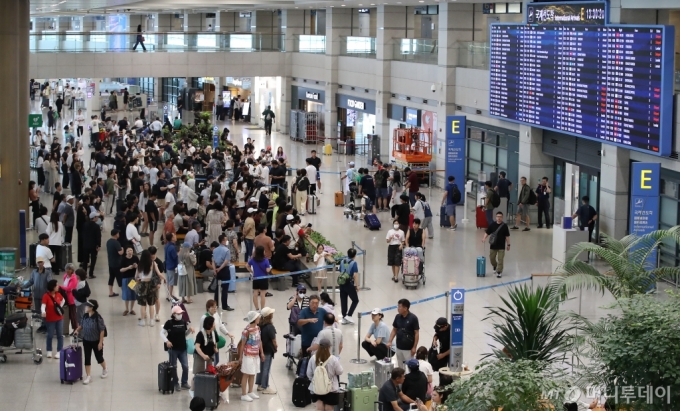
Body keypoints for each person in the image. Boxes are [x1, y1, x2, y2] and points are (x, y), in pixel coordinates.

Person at [73, 300, 108, 384]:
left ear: (92, 308)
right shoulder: (85, 316)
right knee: (87, 358)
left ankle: (105, 368)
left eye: (87, 306)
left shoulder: (98, 318)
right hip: (86, 341)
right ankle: (88, 376)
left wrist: (100, 342)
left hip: (96, 341)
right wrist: (77, 330)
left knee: (99, 358)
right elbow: (81, 325)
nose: (85, 308)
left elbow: (102, 330)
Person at [161, 305, 194, 391]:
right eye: (179, 313)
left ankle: (184, 382)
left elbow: (184, 334)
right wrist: (167, 341)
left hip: (182, 348)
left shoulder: (183, 322)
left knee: (185, 366)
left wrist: (189, 331)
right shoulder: (169, 323)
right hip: (173, 349)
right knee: (174, 366)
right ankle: (175, 383)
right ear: (174, 314)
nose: (181, 315)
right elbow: (162, 333)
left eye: (181, 313)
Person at [306, 338, 344, 410]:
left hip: (316, 388)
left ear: (319, 347)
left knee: (319, 407)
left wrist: (317, 380)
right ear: (329, 347)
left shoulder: (313, 358)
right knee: (329, 408)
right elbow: (340, 371)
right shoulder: (333, 359)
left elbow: (309, 374)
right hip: (331, 388)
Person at [135, 250, 165, 326]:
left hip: (142, 285)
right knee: (151, 304)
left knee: (143, 304)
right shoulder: (153, 263)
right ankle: (151, 321)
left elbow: (136, 277)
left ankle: (142, 321)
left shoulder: (140, 265)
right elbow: (158, 273)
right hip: (151, 285)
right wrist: (164, 279)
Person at [239, 311, 264, 402]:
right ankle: (244, 394)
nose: (259, 318)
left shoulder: (258, 328)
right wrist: (240, 357)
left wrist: (262, 353)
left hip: (256, 355)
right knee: (246, 374)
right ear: (254, 319)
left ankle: (250, 391)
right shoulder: (246, 331)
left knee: (253, 373)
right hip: (248, 355)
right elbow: (242, 345)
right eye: (258, 317)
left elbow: (260, 341)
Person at [386, 299, 420, 367]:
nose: (398, 309)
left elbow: (416, 333)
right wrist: (390, 341)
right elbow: (394, 329)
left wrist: (414, 347)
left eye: (399, 307)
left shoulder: (413, 318)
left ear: (405, 308)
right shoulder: (397, 317)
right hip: (399, 347)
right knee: (400, 365)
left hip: (408, 348)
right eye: (398, 306)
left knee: (409, 366)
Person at [191, 315, 218, 398]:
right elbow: (197, 347)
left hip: (209, 355)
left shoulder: (213, 333)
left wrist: (215, 349)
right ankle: (193, 391)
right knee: (198, 373)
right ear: (209, 325)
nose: (215, 325)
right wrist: (203, 355)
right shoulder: (201, 334)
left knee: (209, 372)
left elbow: (215, 342)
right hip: (199, 356)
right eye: (213, 323)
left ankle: (206, 389)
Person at [199, 300, 234, 364]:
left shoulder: (216, 315)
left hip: (215, 341)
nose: (215, 309)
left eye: (216, 307)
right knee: (212, 361)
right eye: (213, 307)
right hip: (208, 343)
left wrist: (227, 333)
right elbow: (201, 331)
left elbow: (220, 325)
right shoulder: (204, 318)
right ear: (208, 308)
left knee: (216, 360)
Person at [254, 307, 277, 394]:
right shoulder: (270, 327)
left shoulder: (259, 325)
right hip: (268, 350)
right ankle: (265, 386)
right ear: (269, 316)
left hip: (260, 350)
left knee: (261, 367)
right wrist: (276, 346)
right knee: (266, 368)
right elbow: (273, 340)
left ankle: (259, 384)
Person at [482, 212, 511, 278]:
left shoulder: (504, 226)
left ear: (502, 217)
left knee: (500, 259)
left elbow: (507, 236)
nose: (499, 218)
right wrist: (484, 238)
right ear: (496, 217)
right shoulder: (492, 225)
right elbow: (487, 232)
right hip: (493, 245)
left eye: (500, 217)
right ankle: (495, 265)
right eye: (498, 216)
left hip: (501, 246)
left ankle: (499, 272)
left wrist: (508, 245)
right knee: (492, 259)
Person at [28, 257, 53, 333]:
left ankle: (46, 326)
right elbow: (31, 281)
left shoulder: (47, 272)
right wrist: (22, 286)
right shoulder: (34, 272)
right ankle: (42, 325)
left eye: (41, 262)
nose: (40, 264)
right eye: (39, 262)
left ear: (43, 263)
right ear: (37, 263)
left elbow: (50, 282)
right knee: (39, 311)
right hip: (36, 295)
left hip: (44, 296)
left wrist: (51, 290)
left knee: (44, 311)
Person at [42, 279, 65, 359]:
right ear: (53, 287)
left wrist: (59, 308)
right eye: (56, 285)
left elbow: (63, 301)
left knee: (60, 335)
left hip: (59, 318)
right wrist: (43, 311)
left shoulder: (58, 295)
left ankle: (59, 351)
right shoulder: (46, 296)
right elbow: (43, 305)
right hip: (50, 319)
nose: (58, 286)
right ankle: (49, 350)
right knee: (50, 335)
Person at [212, 234, 235, 311]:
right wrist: (220, 268)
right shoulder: (227, 250)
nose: (227, 241)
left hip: (217, 269)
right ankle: (225, 305)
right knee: (225, 289)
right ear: (222, 241)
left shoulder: (215, 250)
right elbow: (226, 262)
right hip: (224, 270)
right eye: (226, 240)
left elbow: (213, 261)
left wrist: (215, 270)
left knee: (217, 288)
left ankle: (216, 304)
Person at [338, 248, 360, 325]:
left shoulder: (342, 261)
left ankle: (344, 317)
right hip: (349, 284)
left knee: (343, 300)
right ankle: (349, 315)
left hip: (342, 283)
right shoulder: (354, 263)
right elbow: (355, 275)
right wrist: (357, 285)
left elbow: (340, 271)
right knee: (355, 300)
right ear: (354, 255)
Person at [248, 245, 272, 311]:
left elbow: (247, 265)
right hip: (263, 279)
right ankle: (262, 309)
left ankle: (257, 309)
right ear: (262, 252)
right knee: (262, 295)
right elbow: (267, 270)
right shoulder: (265, 260)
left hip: (255, 278)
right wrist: (270, 267)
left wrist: (252, 271)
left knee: (255, 293)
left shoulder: (253, 259)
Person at [82, 211, 102, 279]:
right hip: (93, 246)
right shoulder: (96, 226)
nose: (98, 218)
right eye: (97, 217)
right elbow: (98, 237)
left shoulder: (85, 224)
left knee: (85, 260)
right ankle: (91, 274)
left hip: (85, 245)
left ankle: (84, 274)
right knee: (93, 260)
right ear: (94, 217)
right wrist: (98, 245)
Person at [119, 245, 138, 316]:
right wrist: (128, 268)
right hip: (126, 278)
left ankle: (131, 309)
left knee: (133, 293)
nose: (130, 252)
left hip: (133, 278)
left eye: (131, 251)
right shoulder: (123, 259)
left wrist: (136, 266)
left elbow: (140, 267)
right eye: (128, 251)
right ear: (126, 252)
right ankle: (126, 309)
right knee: (126, 294)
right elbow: (121, 270)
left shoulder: (135, 258)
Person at [45, 211, 64, 277]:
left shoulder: (50, 224)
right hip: (58, 243)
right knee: (58, 257)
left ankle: (52, 269)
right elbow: (62, 233)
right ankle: (57, 270)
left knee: (51, 256)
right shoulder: (60, 224)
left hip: (51, 242)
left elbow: (47, 233)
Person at [106, 229, 124, 298]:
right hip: (117, 263)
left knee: (111, 277)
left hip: (110, 262)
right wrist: (122, 249)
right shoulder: (116, 243)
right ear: (116, 234)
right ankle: (124, 292)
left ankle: (110, 292)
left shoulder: (108, 242)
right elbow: (120, 252)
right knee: (120, 278)